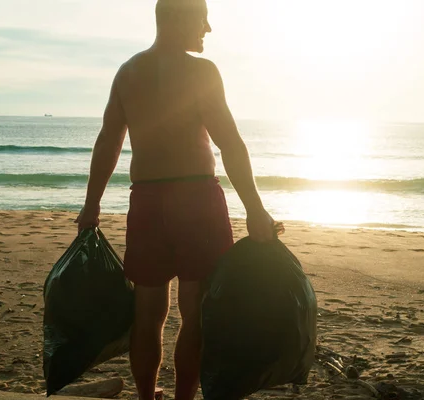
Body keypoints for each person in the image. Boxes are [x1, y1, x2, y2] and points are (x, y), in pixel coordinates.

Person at [75, 1, 277, 398]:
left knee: (147, 314)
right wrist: (255, 209)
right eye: (202, 17)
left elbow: (108, 143)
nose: (209, 28)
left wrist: (91, 205)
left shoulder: (128, 72)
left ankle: (147, 398)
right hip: (197, 202)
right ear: (179, 17)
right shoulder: (202, 72)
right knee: (197, 315)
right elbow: (230, 143)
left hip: (148, 201)